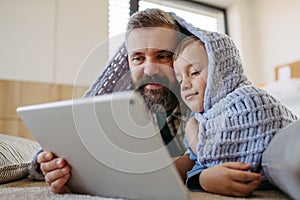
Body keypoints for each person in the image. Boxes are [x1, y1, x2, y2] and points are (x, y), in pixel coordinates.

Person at [32, 8, 290, 197]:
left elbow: (186, 166)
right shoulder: (118, 109)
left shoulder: (206, 109)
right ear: (127, 63)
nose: (149, 69)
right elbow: (64, 151)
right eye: (138, 58)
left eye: (163, 56)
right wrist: (58, 166)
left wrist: (200, 178)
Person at [172, 34, 298, 196]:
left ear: (223, 71)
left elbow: (206, 156)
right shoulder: (199, 119)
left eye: (194, 72)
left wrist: (195, 140)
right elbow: (198, 163)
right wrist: (202, 177)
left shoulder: (248, 99)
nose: (185, 85)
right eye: (180, 80)